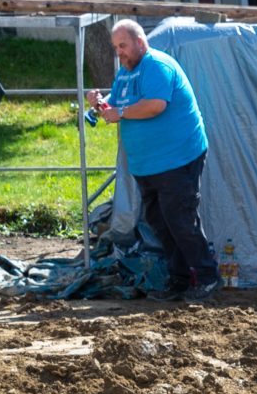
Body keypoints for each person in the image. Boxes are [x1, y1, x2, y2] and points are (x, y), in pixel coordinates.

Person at [88, 17, 217, 300]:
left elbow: (155, 106)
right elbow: (118, 104)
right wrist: (100, 104)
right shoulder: (125, 71)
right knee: (160, 222)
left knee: (181, 220)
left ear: (140, 42)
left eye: (123, 45)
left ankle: (207, 277)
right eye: (115, 47)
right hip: (147, 165)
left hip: (178, 158)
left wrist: (119, 113)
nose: (118, 51)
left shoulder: (157, 66)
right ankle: (180, 279)